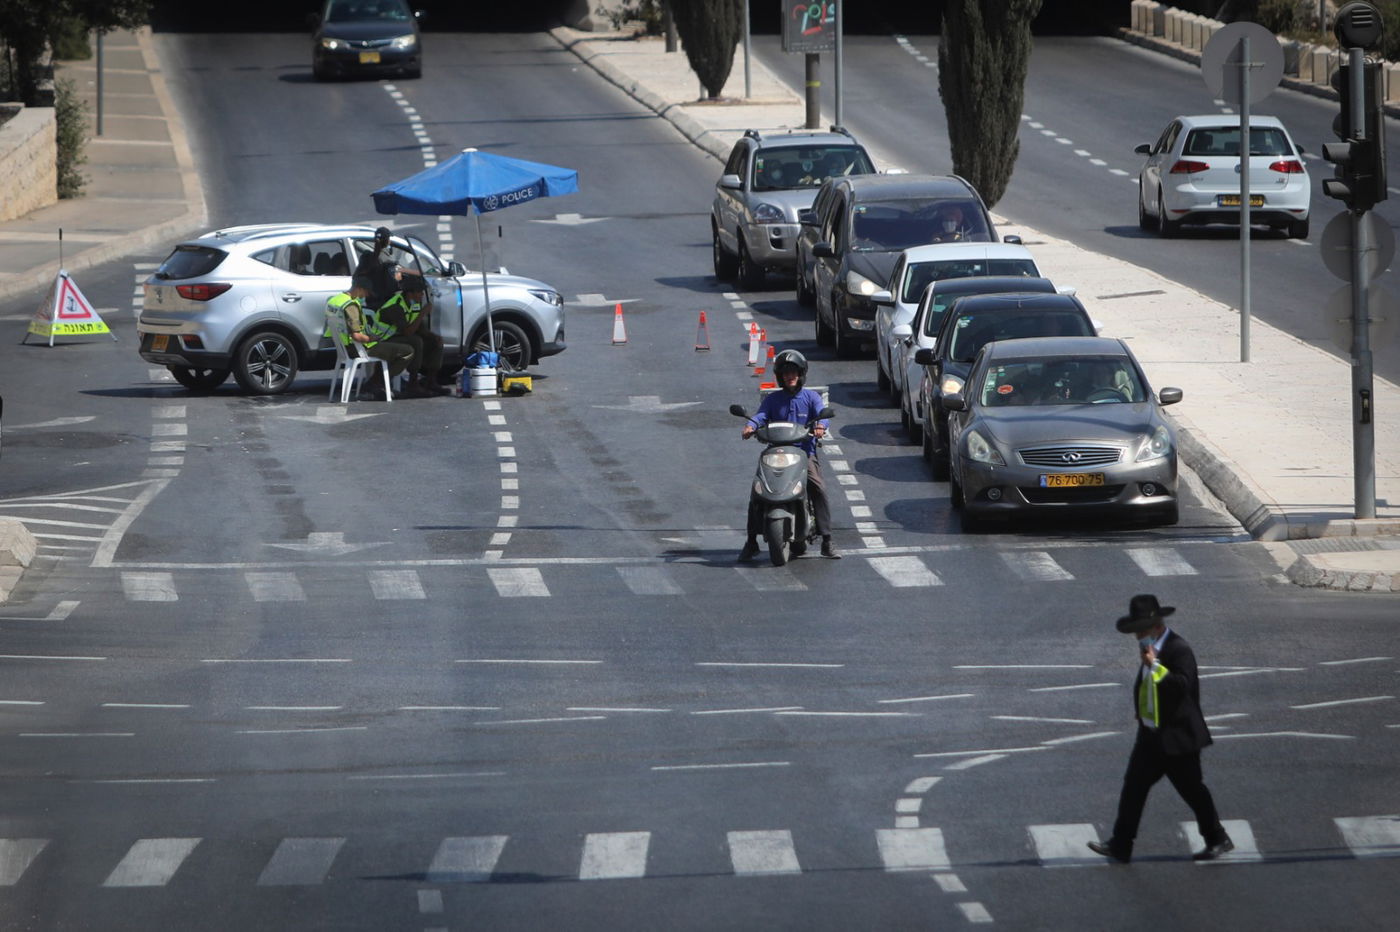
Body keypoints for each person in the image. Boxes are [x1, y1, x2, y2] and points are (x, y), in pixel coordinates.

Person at [1088, 594, 1234, 864]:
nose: (1138, 637)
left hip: (1178, 738)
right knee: (1133, 787)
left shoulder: (1178, 649)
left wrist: (1154, 665)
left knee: (1192, 789)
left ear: (1157, 626)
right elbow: (1147, 687)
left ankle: (1217, 837)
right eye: (1136, 632)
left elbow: (1181, 686)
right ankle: (1121, 844)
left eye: (1142, 630)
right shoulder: (1151, 650)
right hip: (1151, 736)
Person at [737, 349, 840, 561]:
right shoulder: (773, 399)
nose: (789, 376)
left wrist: (821, 425)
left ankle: (827, 540)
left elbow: (823, 414)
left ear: (801, 374)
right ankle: (751, 541)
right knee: (757, 491)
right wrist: (750, 426)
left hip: (804, 454)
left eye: (793, 372)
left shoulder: (811, 398)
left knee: (818, 488)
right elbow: (760, 416)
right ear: (779, 377)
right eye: (785, 373)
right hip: (775, 452)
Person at [325, 284, 416, 400]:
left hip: (343, 347)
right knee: (408, 351)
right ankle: (377, 383)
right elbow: (356, 336)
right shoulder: (351, 305)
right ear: (359, 288)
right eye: (366, 292)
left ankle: (378, 382)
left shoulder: (335, 300)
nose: (366, 296)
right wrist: (371, 339)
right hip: (359, 348)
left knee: (390, 348)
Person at [376, 278, 448, 396]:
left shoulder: (414, 302)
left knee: (435, 341)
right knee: (416, 341)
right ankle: (413, 383)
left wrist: (434, 336)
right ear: (410, 293)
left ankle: (431, 380)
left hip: (400, 335)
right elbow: (407, 332)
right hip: (384, 338)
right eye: (419, 292)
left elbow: (420, 328)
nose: (422, 295)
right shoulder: (396, 306)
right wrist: (423, 313)